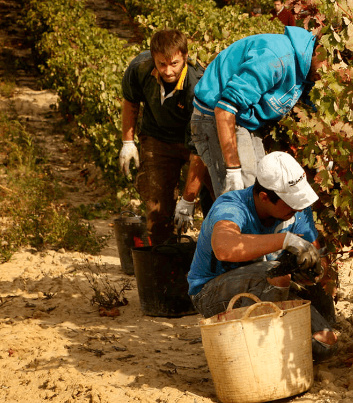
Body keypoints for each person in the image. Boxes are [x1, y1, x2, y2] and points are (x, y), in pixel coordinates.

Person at [186, 151, 337, 361]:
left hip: (269, 287)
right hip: (212, 293)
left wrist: (316, 270)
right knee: (276, 273)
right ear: (264, 197)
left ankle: (273, 341)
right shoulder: (231, 207)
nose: (298, 207)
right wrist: (285, 240)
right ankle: (261, 352)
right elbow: (224, 247)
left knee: (324, 342)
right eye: (291, 202)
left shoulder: (297, 210)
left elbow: (316, 251)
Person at [190, 26, 323, 199]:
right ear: (319, 50)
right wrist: (233, 170)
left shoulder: (308, 71)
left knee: (260, 188)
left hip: (245, 119)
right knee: (241, 195)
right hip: (216, 116)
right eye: (329, 64)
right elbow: (223, 109)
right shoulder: (276, 58)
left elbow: (310, 112)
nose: (328, 73)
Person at [119, 28, 209, 244]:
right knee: (157, 207)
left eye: (174, 64)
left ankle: (214, 249)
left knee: (216, 197)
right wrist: (128, 141)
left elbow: (199, 150)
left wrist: (188, 200)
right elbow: (131, 101)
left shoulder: (198, 86)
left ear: (185, 58)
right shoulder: (139, 68)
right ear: (153, 58)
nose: (168, 71)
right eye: (161, 64)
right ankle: (162, 254)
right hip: (157, 136)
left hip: (194, 141)